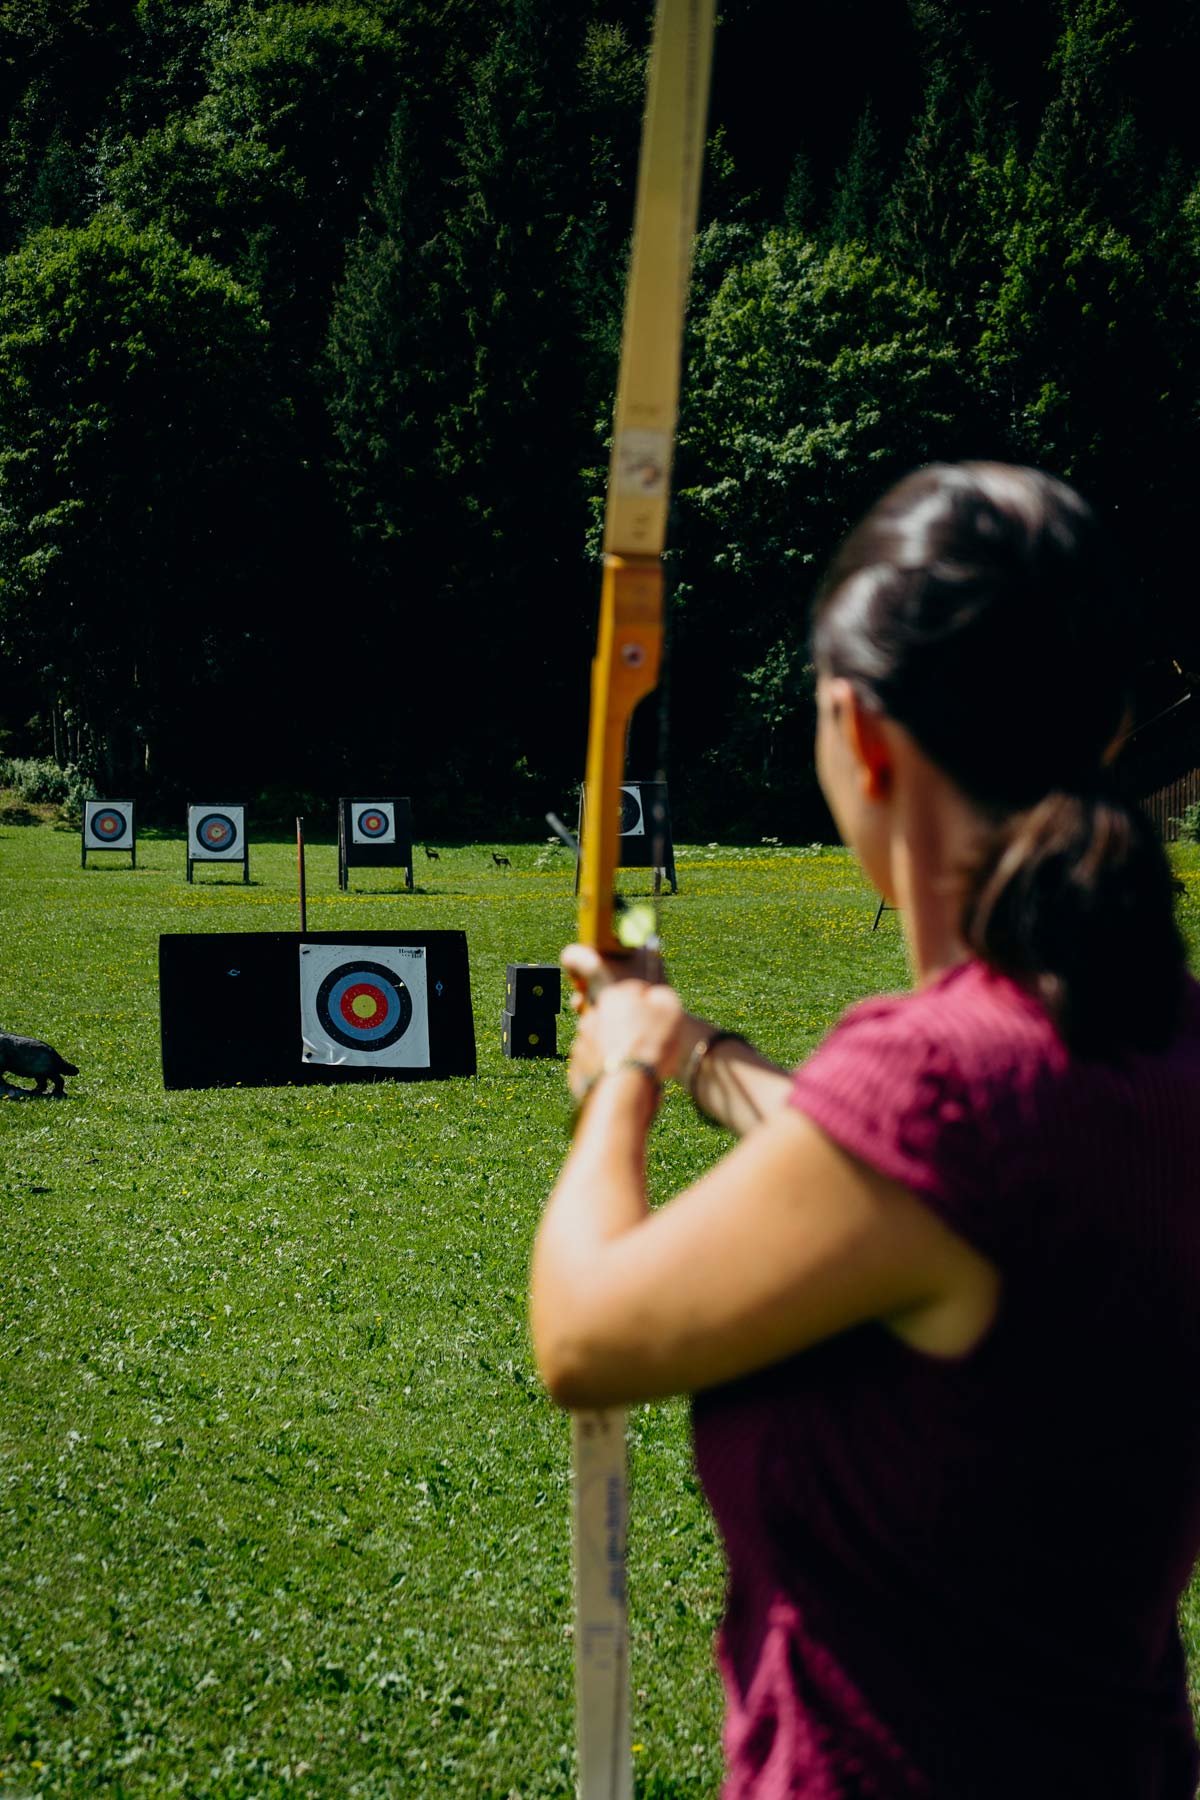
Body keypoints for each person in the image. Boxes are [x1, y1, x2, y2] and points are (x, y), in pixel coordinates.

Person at [529, 462, 1200, 1798]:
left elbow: (585, 1332)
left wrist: (621, 1082)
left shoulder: (937, 1095)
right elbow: (940, 1205)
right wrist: (704, 1055)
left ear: (861, 730)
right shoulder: (1153, 1039)